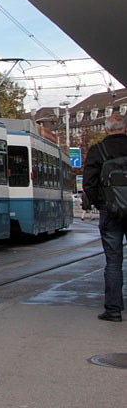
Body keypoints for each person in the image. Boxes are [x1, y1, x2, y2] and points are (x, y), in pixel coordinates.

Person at [83, 112, 127, 322]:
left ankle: (114, 310)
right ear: (125, 129)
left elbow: (89, 183)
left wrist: (99, 202)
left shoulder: (97, 150)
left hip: (110, 212)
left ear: (106, 130)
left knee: (113, 260)